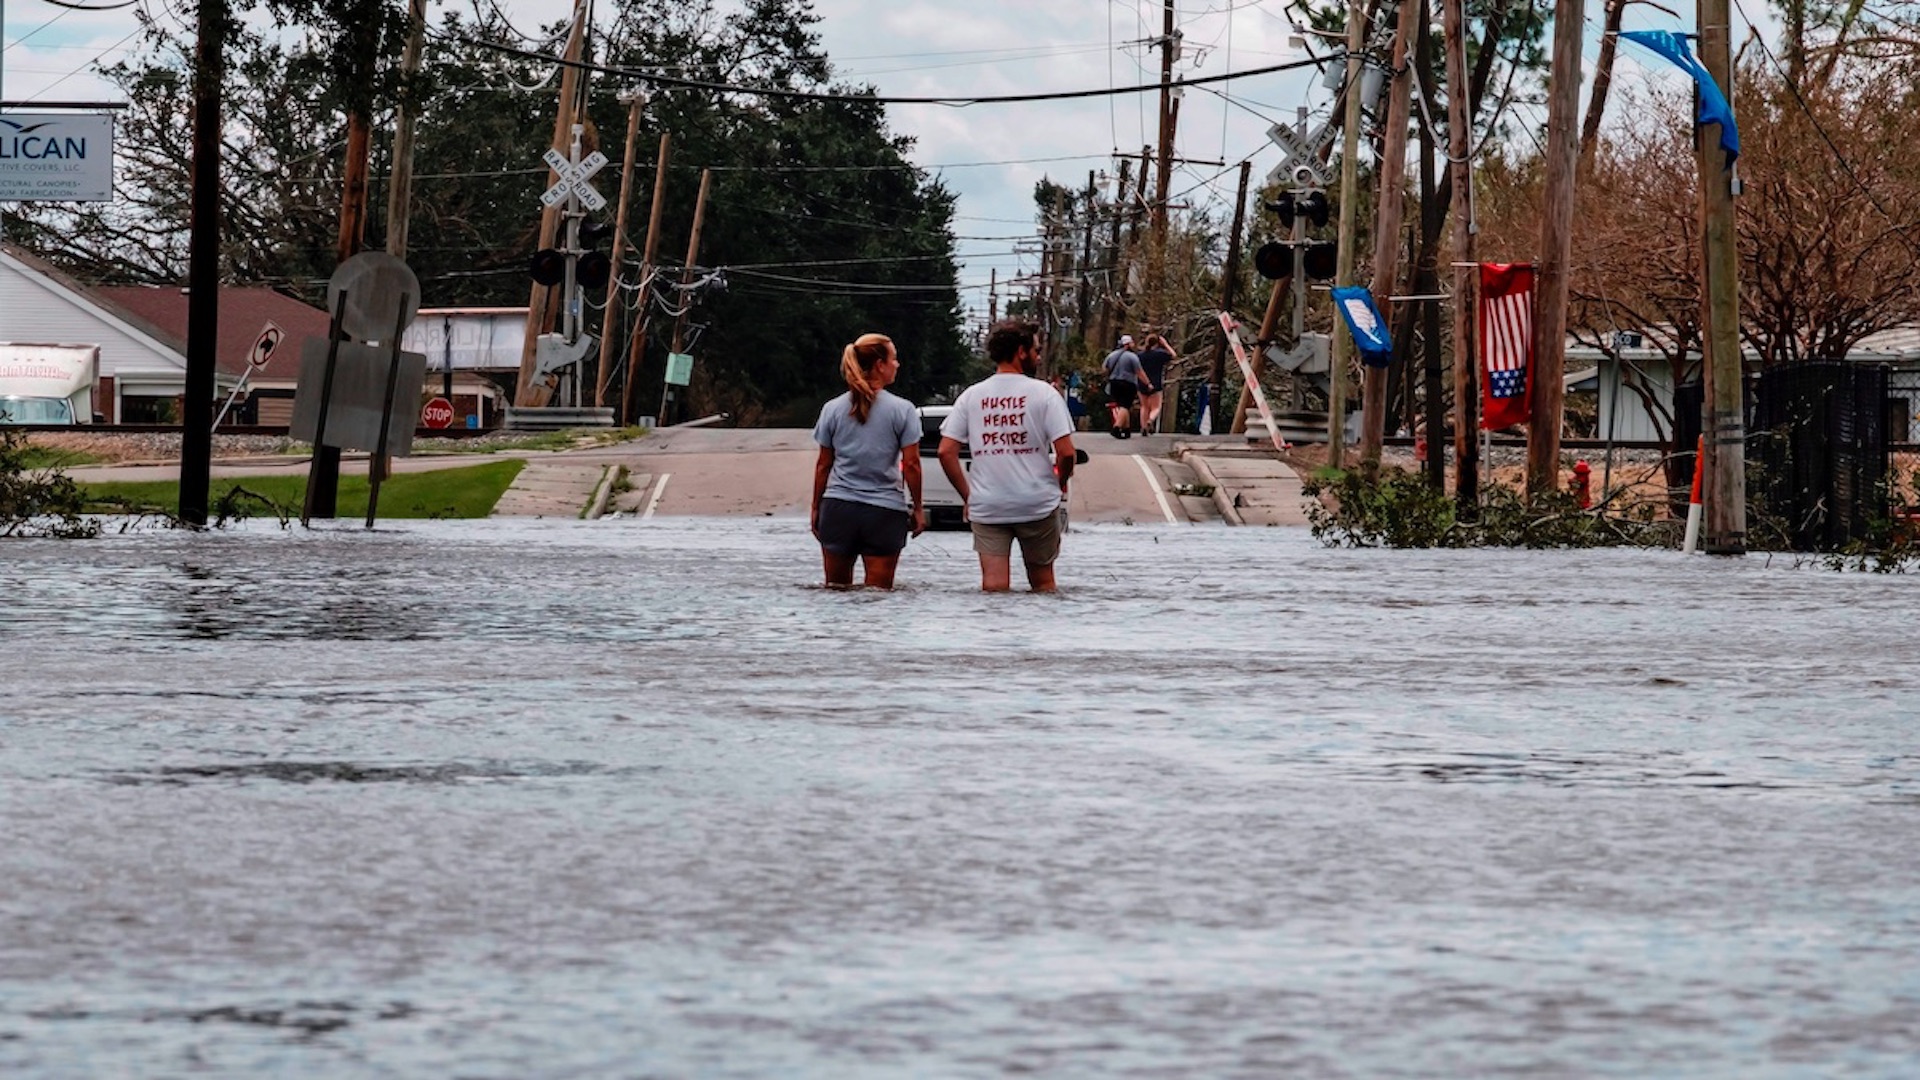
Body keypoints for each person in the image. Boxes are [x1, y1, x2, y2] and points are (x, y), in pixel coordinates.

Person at [938, 320, 1077, 592]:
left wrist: (969, 496)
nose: (1038, 357)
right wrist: (1058, 485)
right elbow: (1067, 453)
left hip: (988, 505)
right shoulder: (1045, 395)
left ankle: (996, 632)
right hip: (1036, 502)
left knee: (994, 587)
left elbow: (945, 451)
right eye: (1036, 351)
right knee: (1044, 585)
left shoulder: (971, 396)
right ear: (1021, 351)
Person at [810, 333, 925, 589]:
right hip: (884, 513)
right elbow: (913, 465)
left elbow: (823, 465)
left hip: (839, 509)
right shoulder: (903, 410)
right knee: (878, 595)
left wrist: (816, 507)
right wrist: (917, 508)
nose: (897, 364)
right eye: (894, 359)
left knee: (836, 591)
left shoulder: (832, 409)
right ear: (879, 365)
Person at [1101, 334, 1151, 438]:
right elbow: (1139, 372)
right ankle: (1117, 427)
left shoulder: (1112, 355)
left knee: (1121, 405)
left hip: (1114, 383)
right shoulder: (1132, 357)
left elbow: (1104, 368)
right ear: (1128, 345)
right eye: (1132, 343)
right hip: (1128, 383)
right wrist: (1148, 383)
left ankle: (1126, 429)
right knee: (1125, 405)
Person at [1136, 333, 1175, 434]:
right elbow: (1173, 355)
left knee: (1144, 406)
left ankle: (1143, 426)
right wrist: (1165, 344)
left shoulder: (1140, 355)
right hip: (1156, 382)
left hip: (1142, 382)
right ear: (1157, 343)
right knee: (1156, 407)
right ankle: (1150, 420)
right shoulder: (1160, 354)